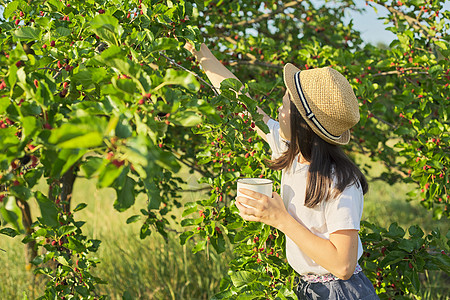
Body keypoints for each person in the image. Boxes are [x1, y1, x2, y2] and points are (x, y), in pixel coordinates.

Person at [184, 42, 379, 300]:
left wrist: (280, 219)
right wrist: (202, 53)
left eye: (285, 105)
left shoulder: (340, 182)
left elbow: (343, 265)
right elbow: (244, 103)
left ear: (302, 123)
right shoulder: (290, 152)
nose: (278, 109)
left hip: (341, 293)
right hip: (310, 289)